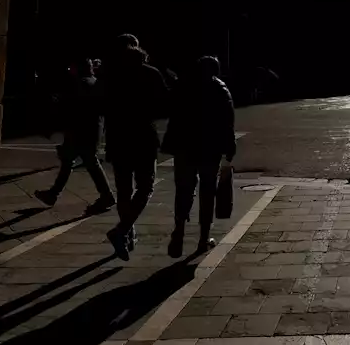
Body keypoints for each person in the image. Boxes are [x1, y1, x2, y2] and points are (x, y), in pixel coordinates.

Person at [162, 56, 236, 258]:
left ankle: (179, 230)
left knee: (184, 189)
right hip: (209, 147)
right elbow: (227, 122)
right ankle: (203, 238)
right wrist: (230, 148)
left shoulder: (182, 85)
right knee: (207, 191)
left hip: (184, 146)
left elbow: (169, 110)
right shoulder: (220, 89)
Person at [102, 43, 169, 260]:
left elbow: (102, 105)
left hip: (118, 137)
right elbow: (164, 105)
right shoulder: (151, 74)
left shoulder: (112, 76)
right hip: (142, 137)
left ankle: (127, 234)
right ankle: (122, 231)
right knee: (146, 186)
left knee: (124, 189)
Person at [35, 58, 115, 210]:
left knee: (85, 162)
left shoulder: (80, 83)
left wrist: (58, 103)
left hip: (79, 130)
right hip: (91, 129)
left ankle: (106, 196)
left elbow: (72, 106)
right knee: (76, 161)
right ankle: (54, 194)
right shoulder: (94, 81)